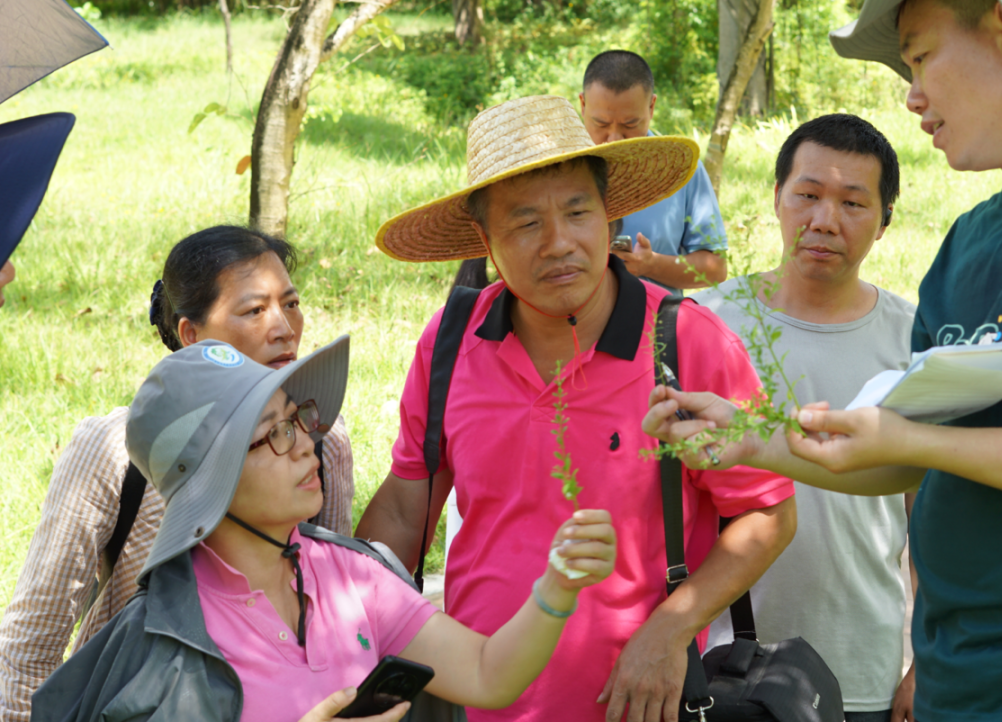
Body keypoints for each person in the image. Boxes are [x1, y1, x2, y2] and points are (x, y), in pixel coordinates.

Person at [643, 1, 1002, 719]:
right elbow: (911, 459)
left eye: (920, 56)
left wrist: (916, 440)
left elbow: (919, 444)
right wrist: (752, 438)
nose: (912, 95)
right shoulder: (970, 244)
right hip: (961, 680)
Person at [358, 94, 796, 722]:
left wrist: (669, 630)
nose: (559, 243)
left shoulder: (684, 343)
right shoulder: (450, 342)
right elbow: (406, 505)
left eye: (577, 211)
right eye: (526, 222)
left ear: (610, 215)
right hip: (482, 699)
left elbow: (767, 513)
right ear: (485, 240)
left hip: (639, 704)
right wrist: (346, 625)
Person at [30, 338, 617, 722]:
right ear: (216, 478)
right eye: (274, 433)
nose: (306, 442)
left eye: (297, 419)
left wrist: (556, 589)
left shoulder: (351, 574)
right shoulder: (167, 644)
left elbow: (490, 675)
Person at [0, 226, 356, 722]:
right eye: (254, 310)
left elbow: (335, 603)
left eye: (291, 304)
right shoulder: (112, 453)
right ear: (191, 336)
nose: (284, 328)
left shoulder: (324, 442)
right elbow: (27, 654)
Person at [696, 113, 917, 722]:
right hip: (720, 668)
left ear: (885, 218)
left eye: (852, 202)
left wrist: (926, 657)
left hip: (862, 669)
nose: (824, 220)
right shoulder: (704, 323)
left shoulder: (912, 339)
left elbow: (932, 513)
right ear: (776, 198)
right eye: (808, 195)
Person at [579, 50, 728, 293]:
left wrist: (652, 265)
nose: (615, 139)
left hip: (658, 325)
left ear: (652, 106)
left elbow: (715, 269)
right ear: (582, 104)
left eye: (630, 124)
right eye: (601, 124)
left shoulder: (680, 169)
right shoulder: (558, 169)